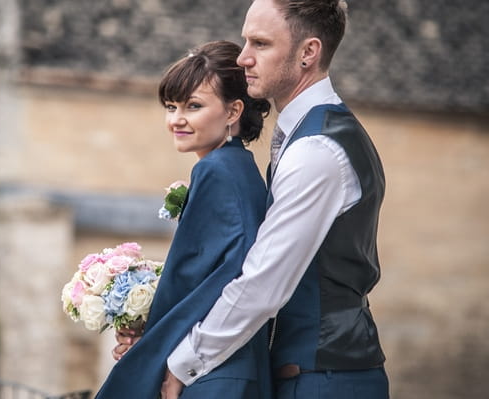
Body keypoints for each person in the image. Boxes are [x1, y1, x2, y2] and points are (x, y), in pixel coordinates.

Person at [160, 0, 391, 398]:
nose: (244, 57)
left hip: (323, 380)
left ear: (308, 53)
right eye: (246, 40)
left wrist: (183, 364)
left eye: (261, 44)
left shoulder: (316, 150)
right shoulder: (309, 134)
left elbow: (264, 284)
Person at [94, 40, 273, 399]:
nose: (176, 119)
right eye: (171, 106)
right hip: (236, 367)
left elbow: (192, 283)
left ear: (233, 110)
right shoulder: (241, 167)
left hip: (213, 377)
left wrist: (149, 347)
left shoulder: (216, 171)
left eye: (193, 106)